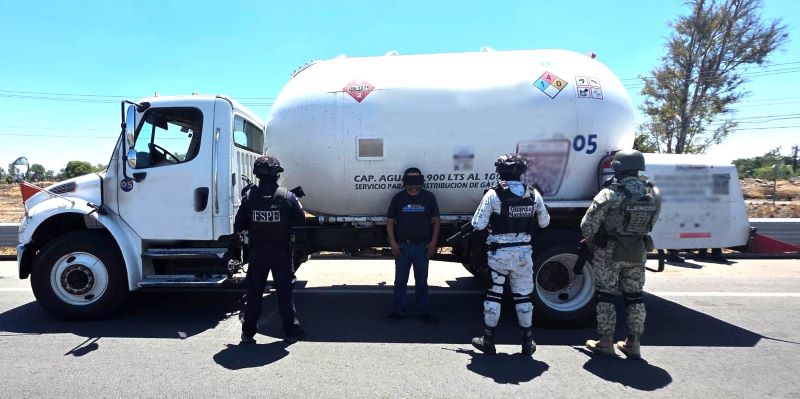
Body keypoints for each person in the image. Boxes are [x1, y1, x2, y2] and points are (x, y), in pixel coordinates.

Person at [581, 149, 660, 359]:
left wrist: (592, 241)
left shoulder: (610, 193)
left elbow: (587, 225)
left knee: (606, 296)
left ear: (618, 169)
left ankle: (605, 343)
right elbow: (652, 222)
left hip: (609, 252)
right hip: (637, 250)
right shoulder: (651, 193)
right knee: (635, 297)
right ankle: (633, 344)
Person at [469, 153, 550, 356]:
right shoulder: (533, 194)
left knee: (494, 295)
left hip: (499, 254)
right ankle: (527, 342)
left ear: (500, 172)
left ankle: (488, 340)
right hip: (523, 253)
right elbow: (544, 222)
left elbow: (477, 224)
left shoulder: (493, 194)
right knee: (523, 297)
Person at [236, 155, 306, 344]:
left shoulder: (249, 197)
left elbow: (239, 224)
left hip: (258, 253)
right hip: (281, 253)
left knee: (254, 293)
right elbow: (301, 220)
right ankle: (291, 331)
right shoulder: (287, 196)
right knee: (284, 294)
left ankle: (248, 333)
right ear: (276, 174)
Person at [386, 168, 441, 323]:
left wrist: (433, 243)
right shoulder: (398, 198)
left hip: (422, 247)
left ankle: (424, 311)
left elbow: (436, 220)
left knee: (422, 281)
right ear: (405, 183)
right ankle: (398, 310)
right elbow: (390, 222)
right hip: (403, 247)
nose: (414, 187)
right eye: (410, 183)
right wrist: (393, 243)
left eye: (417, 183)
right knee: (400, 281)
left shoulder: (429, 197)